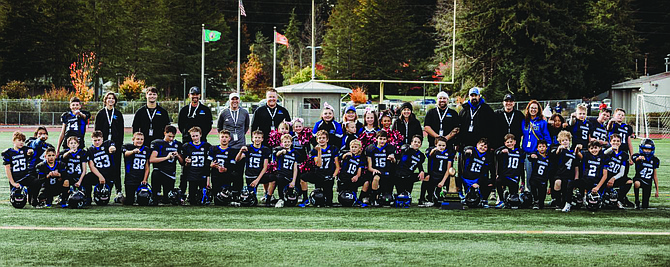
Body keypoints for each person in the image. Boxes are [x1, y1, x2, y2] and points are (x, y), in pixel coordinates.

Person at [562, 140, 608, 212]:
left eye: (596, 148)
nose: (594, 150)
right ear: (589, 149)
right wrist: (577, 148)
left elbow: (605, 175)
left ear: (600, 148)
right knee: (571, 183)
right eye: (591, 148)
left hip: (596, 182)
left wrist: (597, 187)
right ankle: (568, 204)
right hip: (586, 181)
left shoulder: (603, 157)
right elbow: (578, 154)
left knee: (594, 205)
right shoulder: (586, 155)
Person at [94, 92, 124, 200]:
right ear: (105, 100)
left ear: (115, 101)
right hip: (104, 145)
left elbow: (121, 131)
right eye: (109, 98)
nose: (110, 100)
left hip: (116, 145)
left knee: (116, 168)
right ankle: (104, 189)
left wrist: (119, 145)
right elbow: (96, 131)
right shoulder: (101, 113)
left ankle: (119, 191)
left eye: (113, 98)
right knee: (106, 168)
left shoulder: (118, 114)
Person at [298, 130, 340, 207]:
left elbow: (337, 166)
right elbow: (318, 164)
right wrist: (319, 151)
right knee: (303, 178)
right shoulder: (314, 150)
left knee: (328, 203)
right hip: (318, 174)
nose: (321, 140)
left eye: (323, 138)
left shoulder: (333, 149)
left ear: (327, 139)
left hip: (328, 175)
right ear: (317, 140)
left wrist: (333, 176)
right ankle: (305, 198)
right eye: (319, 138)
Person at [235, 130, 273, 205]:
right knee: (251, 201)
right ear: (252, 138)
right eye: (256, 137)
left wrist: (257, 180)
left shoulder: (265, 150)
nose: (257, 139)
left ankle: (268, 198)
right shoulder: (248, 148)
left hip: (260, 175)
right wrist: (240, 151)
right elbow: (237, 159)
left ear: (262, 139)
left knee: (273, 178)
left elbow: (265, 167)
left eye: (259, 138)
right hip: (250, 175)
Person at [3, 131, 39, 207]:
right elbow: (7, 169)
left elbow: (30, 151)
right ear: (14, 140)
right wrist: (12, 182)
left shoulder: (25, 149)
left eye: (23, 141)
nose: (21, 142)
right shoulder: (8, 153)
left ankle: (33, 198)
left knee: (37, 182)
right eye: (19, 140)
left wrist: (31, 152)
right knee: (17, 202)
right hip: (15, 178)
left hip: (25, 176)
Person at [520, 100, 550, 190]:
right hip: (527, 153)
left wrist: (541, 152)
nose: (533, 110)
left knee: (538, 176)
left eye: (535, 108)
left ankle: (538, 197)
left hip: (537, 153)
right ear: (528, 109)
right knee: (528, 176)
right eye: (531, 108)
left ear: (538, 110)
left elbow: (547, 138)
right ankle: (529, 195)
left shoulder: (542, 122)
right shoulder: (524, 121)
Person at [149, 125, 183, 203]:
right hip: (159, 172)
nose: (171, 139)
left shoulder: (177, 144)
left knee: (167, 199)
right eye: (169, 136)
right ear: (165, 133)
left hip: (170, 174)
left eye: (173, 137)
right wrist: (166, 158)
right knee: (155, 199)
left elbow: (182, 163)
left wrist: (178, 155)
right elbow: (152, 159)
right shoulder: (158, 143)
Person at [180, 127, 212, 205]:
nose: (195, 138)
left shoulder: (207, 146)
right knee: (192, 200)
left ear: (200, 135)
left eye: (196, 135)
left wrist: (208, 178)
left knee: (204, 199)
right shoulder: (186, 146)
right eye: (193, 136)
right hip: (192, 175)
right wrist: (187, 162)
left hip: (202, 174)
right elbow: (184, 164)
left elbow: (208, 164)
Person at [83, 131, 116, 204]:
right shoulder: (90, 150)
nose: (97, 142)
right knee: (86, 179)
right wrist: (100, 177)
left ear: (102, 139)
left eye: (99, 140)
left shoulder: (107, 144)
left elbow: (112, 147)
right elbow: (92, 166)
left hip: (109, 174)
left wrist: (112, 148)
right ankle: (88, 197)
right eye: (95, 140)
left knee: (103, 200)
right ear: (92, 140)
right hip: (97, 174)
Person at [460, 138, 494, 208]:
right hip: (466, 178)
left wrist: (478, 182)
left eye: (485, 147)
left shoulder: (487, 157)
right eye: (481, 146)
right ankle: (461, 196)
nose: (483, 148)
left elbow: (484, 171)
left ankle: (484, 200)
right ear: (477, 145)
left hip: (477, 178)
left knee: (490, 182)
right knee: (456, 179)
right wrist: (467, 150)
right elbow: (465, 149)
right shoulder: (472, 150)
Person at [421, 136, 454, 207]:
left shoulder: (449, 153)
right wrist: (435, 150)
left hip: (443, 176)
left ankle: (450, 197)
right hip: (433, 175)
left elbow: (448, 168)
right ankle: (423, 198)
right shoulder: (432, 150)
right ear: (435, 144)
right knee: (426, 177)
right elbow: (429, 155)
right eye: (439, 145)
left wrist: (443, 181)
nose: (441, 147)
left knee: (453, 180)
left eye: (443, 145)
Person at [495, 134, 526, 209]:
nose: (509, 144)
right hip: (505, 176)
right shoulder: (503, 151)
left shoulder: (520, 152)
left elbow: (521, 167)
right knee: (498, 181)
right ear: (505, 143)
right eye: (507, 142)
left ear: (515, 142)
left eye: (511, 141)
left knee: (514, 201)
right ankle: (501, 199)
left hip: (514, 177)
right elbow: (496, 155)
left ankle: (508, 196)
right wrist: (498, 174)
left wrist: (522, 181)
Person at [549, 131, 578, 209]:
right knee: (558, 183)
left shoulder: (573, 152)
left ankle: (565, 202)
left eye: (566, 140)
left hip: (569, 174)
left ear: (569, 141)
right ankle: (558, 202)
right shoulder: (559, 150)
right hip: (560, 173)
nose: (565, 142)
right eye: (563, 140)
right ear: (560, 142)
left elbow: (576, 166)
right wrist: (559, 149)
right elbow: (554, 156)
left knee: (566, 189)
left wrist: (576, 177)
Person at [365, 131, 396, 206]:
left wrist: (393, 159)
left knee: (387, 194)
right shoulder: (370, 148)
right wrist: (374, 170)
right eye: (380, 139)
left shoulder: (389, 148)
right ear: (376, 139)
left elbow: (394, 162)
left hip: (386, 171)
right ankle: (373, 198)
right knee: (376, 178)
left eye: (384, 139)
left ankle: (388, 195)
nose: (382, 141)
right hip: (375, 170)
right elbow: (369, 167)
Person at [603, 133, 632, 208]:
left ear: (621, 143)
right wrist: (611, 148)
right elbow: (603, 154)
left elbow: (622, 172)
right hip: (604, 177)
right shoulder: (607, 151)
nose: (616, 142)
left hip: (615, 177)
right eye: (614, 140)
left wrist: (613, 178)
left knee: (629, 181)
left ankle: (619, 199)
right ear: (610, 142)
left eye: (618, 141)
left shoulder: (624, 155)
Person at [208, 130, 240, 196]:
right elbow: (207, 163)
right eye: (222, 137)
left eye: (226, 137)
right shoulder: (213, 149)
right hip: (215, 176)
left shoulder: (232, 151)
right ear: (219, 138)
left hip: (226, 176)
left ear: (229, 138)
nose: (224, 139)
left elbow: (233, 166)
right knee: (216, 197)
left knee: (225, 196)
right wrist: (211, 165)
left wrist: (226, 169)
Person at [122, 132, 151, 205]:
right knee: (129, 202)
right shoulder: (128, 147)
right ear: (133, 139)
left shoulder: (146, 149)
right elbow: (125, 154)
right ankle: (120, 199)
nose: (140, 141)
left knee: (143, 201)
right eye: (137, 139)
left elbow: (147, 167)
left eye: (141, 139)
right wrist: (133, 151)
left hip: (140, 179)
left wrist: (145, 179)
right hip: (130, 179)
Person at [59, 136, 88, 207]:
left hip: (78, 176)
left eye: (75, 143)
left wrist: (79, 181)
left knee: (83, 189)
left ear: (78, 144)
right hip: (68, 177)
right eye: (71, 143)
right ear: (68, 145)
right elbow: (63, 157)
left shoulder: (82, 153)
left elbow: (84, 170)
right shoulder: (66, 152)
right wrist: (69, 152)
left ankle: (87, 199)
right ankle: (63, 199)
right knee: (65, 185)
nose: (73, 145)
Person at [632, 139, 659, 210]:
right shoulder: (638, 156)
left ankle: (644, 202)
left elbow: (655, 176)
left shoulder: (655, 160)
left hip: (648, 182)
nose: (647, 151)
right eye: (645, 149)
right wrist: (639, 158)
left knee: (645, 205)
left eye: (649, 149)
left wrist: (657, 190)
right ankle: (636, 200)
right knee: (636, 183)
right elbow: (634, 159)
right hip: (639, 179)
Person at [273, 134, 299, 207]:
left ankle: (297, 196)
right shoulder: (279, 150)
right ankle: (280, 198)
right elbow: (276, 155)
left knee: (291, 198)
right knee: (279, 179)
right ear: (281, 143)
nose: (287, 143)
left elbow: (295, 168)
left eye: (288, 142)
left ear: (291, 143)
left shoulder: (295, 153)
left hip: (290, 174)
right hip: (281, 173)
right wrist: (281, 152)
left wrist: (293, 180)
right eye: (285, 142)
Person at [527, 140, 551, 209]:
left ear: (546, 147)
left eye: (543, 146)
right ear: (537, 148)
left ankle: (540, 202)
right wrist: (531, 155)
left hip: (543, 179)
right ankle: (535, 200)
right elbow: (529, 157)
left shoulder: (548, 158)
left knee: (542, 201)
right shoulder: (536, 156)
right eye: (540, 147)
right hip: (535, 177)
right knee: (533, 184)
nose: (542, 148)